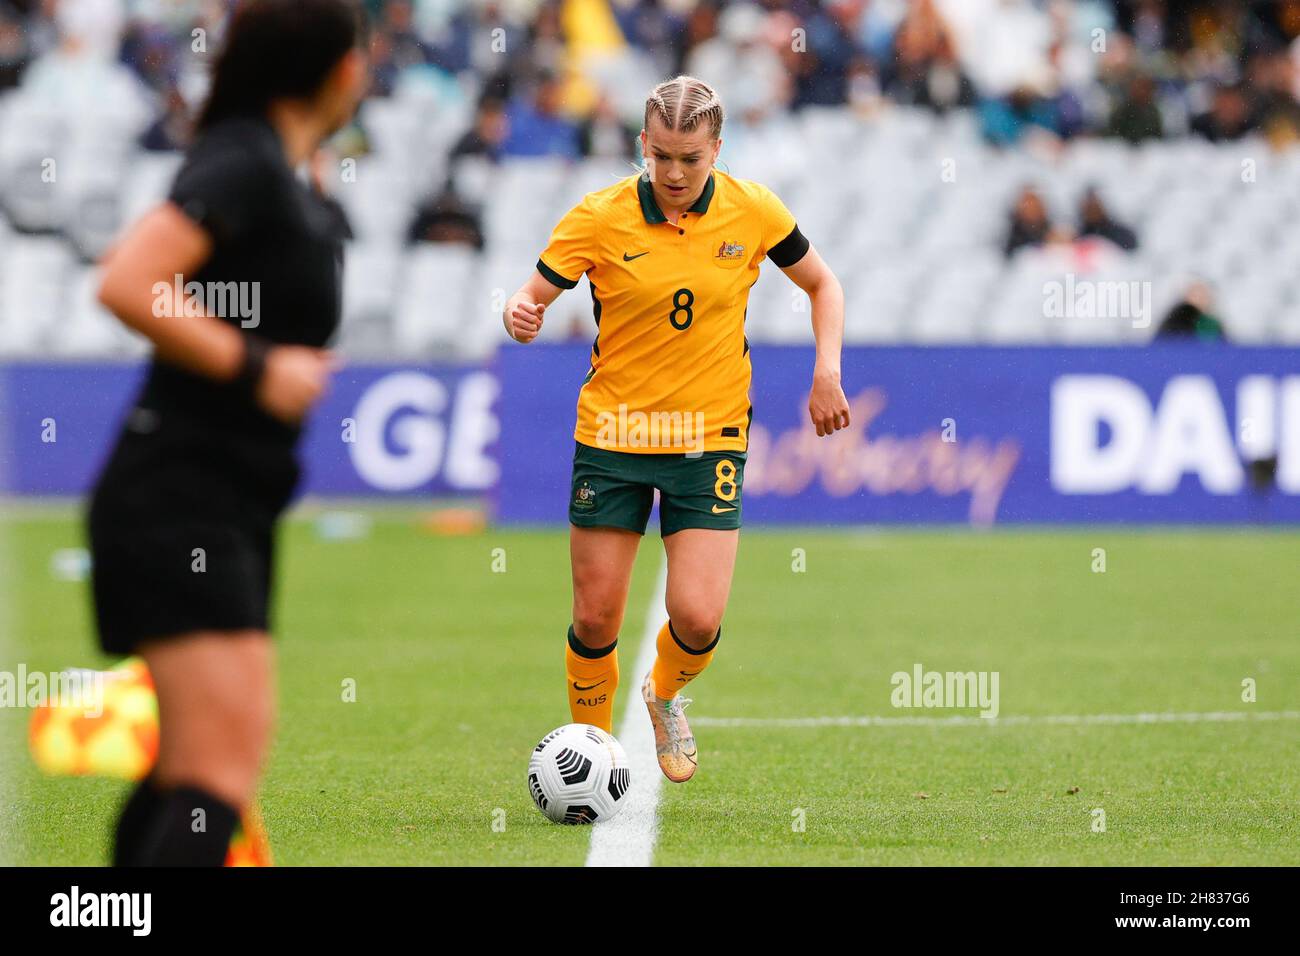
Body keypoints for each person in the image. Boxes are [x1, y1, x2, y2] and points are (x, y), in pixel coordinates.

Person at [503, 75, 851, 783]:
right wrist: (521, 311)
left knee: (695, 617)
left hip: (709, 437)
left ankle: (663, 695)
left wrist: (827, 371)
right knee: (596, 618)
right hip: (613, 436)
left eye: (690, 158)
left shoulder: (753, 210)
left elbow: (823, 283)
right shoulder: (598, 218)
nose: (673, 173)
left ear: (716, 150)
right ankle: (589, 755)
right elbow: (532, 293)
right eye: (660, 155)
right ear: (642, 145)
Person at [90, 0, 368, 865]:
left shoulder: (285, 169)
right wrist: (259, 369)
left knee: (193, 773)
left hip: (227, 497)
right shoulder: (242, 158)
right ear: (334, 72)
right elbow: (131, 281)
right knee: (217, 775)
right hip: (180, 495)